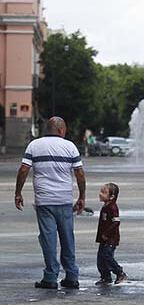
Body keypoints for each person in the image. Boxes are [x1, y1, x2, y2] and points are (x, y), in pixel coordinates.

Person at [14, 117, 86, 289]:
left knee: (48, 239)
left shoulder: (34, 145)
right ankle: (71, 276)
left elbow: (24, 169)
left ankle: (50, 277)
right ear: (61, 130)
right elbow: (80, 173)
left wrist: (18, 193)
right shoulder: (70, 146)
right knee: (68, 238)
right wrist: (82, 196)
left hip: (44, 201)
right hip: (64, 200)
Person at [95, 183, 127, 285]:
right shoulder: (106, 206)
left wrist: (107, 233)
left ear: (112, 197)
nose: (100, 194)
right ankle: (105, 276)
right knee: (101, 259)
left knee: (107, 256)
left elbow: (116, 222)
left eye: (103, 192)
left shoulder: (112, 207)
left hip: (111, 238)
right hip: (103, 238)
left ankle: (119, 272)